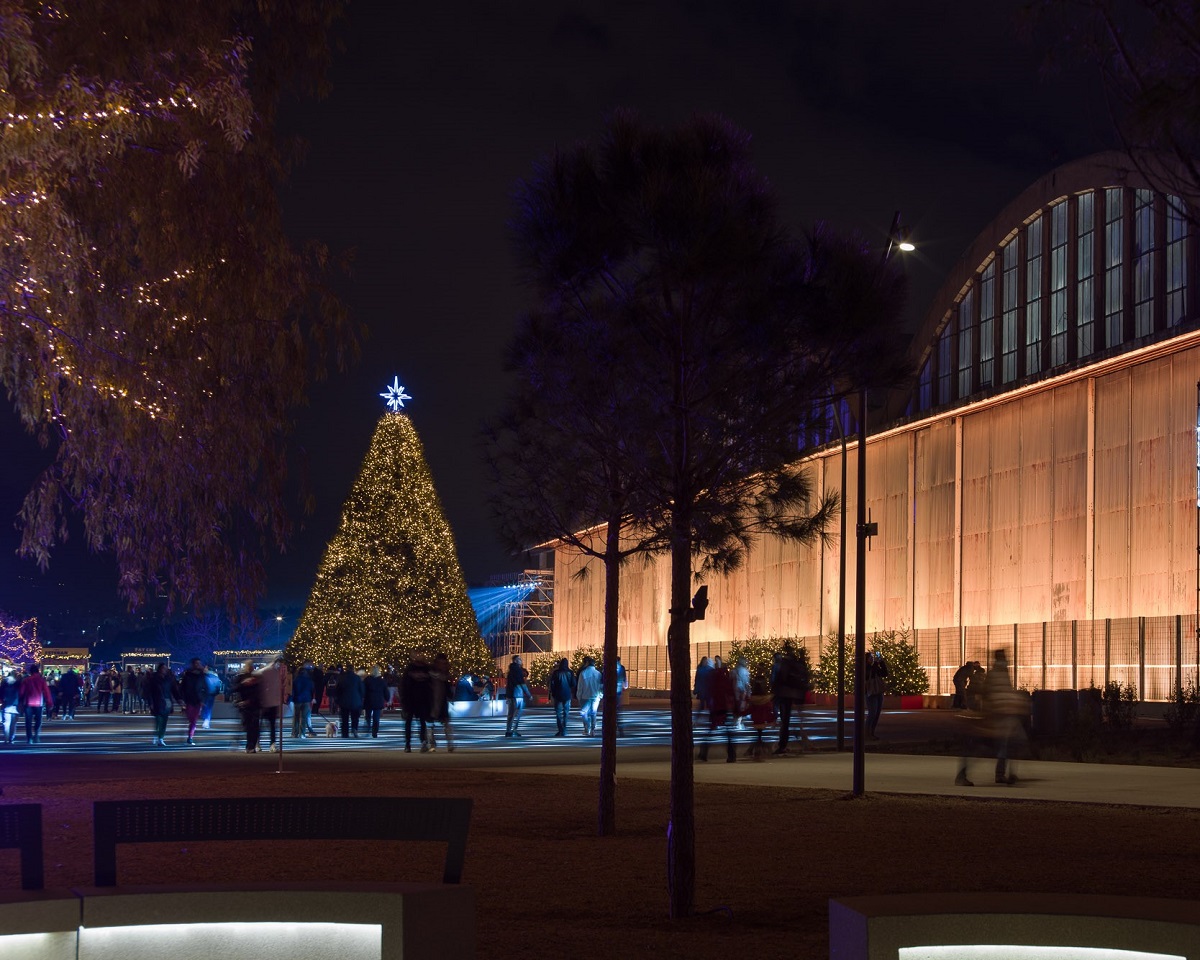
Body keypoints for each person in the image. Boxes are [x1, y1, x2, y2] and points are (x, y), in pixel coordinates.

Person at [956, 649, 1029, 787]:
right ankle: (998, 774)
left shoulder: (999, 674)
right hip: (999, 716)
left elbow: (990, 692)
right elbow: (991, 692)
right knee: (999, 745)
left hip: (1000, 715)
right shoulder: (998, 674)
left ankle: (998, 775)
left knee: (1001, 745)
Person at [771, 642, 810, 755]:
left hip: (785, 694)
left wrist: (775, 690)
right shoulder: (797, 664)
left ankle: (783, 745)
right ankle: (801, 742)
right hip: (796, 694)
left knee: (785, 721)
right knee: (794, 720)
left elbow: (780, 679)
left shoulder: (785, 664)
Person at [698, 655, 736, 763]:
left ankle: (704, 752)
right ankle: (731, 755)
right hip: (723, 706)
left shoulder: (712, 677)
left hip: (715, 707)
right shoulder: (724, 677)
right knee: (728, 732)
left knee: (712, 729)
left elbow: (709, 690)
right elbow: (730, 691)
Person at [401, 656, 433, 751]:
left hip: (422, 700)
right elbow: (404, 686)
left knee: (420, 722)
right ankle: (408, 743)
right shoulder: (411, 669)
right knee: (411, 722)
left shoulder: (424, 669)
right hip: (411, 700)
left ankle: (422, 742)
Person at [256, 658, 289, 748]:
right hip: (273, 702)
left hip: (265, 702)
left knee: (261, 725)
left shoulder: (263, 672)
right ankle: (272, 743)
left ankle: (258, 743)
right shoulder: (277, 673)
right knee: (272, 725)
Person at [148, 662, 182, 746]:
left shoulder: (169, 679)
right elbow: (149, 692)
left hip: (167, 701)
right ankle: (158, 735)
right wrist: (150, 702)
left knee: (164, 720)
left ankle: (161, 737)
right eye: (163, 668)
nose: (164, 670)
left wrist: (179, 699)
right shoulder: (154, 679)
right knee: (158, 720)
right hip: (157, 701)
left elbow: (174, 690)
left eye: (165, 668)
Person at [19, 664, 53, 746]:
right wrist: (49, 702)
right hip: (38, 702)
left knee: (28, 721)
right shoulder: (41, 680)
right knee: (38, 720)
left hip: (28, 702)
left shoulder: (26, 680)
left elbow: (21, 692)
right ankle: (36, 735)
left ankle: (29, 738)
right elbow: (47, 692)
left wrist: (20, 702)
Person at [427, 653, 455, 751]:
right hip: (432, 701)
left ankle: (449, 744)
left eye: (444, 663)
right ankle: (432, 744)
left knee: (444, 723)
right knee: (431, 724)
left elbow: (447, 689)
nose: (443, 665)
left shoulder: (444, 676)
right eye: (441, 663)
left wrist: (450, 694)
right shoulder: (431, 675)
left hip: (441, 702)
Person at [233, 661, 262, 753]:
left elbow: (258, 692)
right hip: (245, 706)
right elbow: (234, 689)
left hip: (254, 704)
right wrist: (243, 683)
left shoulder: (256, 678)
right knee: (249, 726)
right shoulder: (240, 677)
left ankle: (251, 746)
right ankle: (250, 746)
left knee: (255, 727)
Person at [179, 658, 207, 745]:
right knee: (190, 718)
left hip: (198, 700)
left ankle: (190, 736)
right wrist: (182, 698)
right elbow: (182, 687)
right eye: (196, 663)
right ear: (193, 664)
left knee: (194, 720)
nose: (197, 665)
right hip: (189, 699)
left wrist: (202, 699)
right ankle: (190, 733)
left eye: (199, 663)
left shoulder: (202, 675)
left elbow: (205, 688)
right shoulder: (187, 675)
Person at [864, 650, 888, 739]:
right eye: (870, 657)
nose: (872, 659)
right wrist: (876, 664)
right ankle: (867, 733)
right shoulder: (865, 667)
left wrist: (881, 662)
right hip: (870, 692)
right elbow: (869, 675)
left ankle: (872, 732)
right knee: (872, 713)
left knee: (877, 713)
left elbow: (884, 673)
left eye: (872, 657)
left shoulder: (875, 666)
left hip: (878, 691)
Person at [575, 656, 602, 737]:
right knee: (593, 713)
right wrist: (601, 695)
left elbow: (580, 686)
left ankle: (587, 728)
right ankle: (593, 730)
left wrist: (578, 696)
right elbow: (601, 686)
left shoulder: (583, 673)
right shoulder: (598, 674)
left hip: (585, 696)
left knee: (584, 712)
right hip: (596, 696)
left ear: (587, 664)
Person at [548, 657, 575, 736]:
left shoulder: (556, 673)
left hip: (558, 694)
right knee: (566, 713)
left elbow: (552, 684)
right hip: (567, 694)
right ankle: (564, 728)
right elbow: (573, 683)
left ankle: (560, 729)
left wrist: (553, 693)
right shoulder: (570, 672)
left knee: (558, 713)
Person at [337, 664, 365, 738]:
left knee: (344, 719)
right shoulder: (357, 678)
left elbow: (338, 690)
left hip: (344, 701)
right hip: (355, 701)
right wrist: (361, 698)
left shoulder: (342, 677)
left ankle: (345, 733)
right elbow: (362, 690)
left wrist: (338, 700)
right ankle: (354, 729)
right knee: (355, 718)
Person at [505, 655, 530, 739]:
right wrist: (528, 694)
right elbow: (522, 683)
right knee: (517, 714)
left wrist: (507, 695)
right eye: (519, 659)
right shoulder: (518, 670)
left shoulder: (510, 671)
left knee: (511, 714)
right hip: (518, 694)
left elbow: (508, 684)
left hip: (511, 694)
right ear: (515, 661)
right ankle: (514, 730)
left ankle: (508, 731)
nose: (521, 660)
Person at [291, 661, 316, 738]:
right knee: (304, 717)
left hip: (297, 700)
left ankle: (295, 733)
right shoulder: (309, 680)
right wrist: (312, 698)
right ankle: (302, 733)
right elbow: (312, 689)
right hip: (306, 700)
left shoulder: (295, 680)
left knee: (296, 717)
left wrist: (292, 698)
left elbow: (293, 690)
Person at [363, 665, 389, 739]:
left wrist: (363, 696)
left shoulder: (367, 680)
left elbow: (363, 690)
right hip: (378, 701)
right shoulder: (382, 681)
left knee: (368, 716)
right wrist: (387, 698)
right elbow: (385, 691)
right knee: (376, 718)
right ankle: (375, 732)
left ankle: (368, 728)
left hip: (369, 700)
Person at [1, 669, 21, 744]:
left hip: (6, 705)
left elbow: (1, 694)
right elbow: (21, 694)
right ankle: (11, 738)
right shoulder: (17, 684)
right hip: (15, 705)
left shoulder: (4, 684)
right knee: (13, 723)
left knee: (6, 723)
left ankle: (6, 738)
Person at [693, 656, 713, 722]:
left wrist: (696, 688)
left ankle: (698, 717)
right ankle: (710, 718)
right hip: (706, 689)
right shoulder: (709, 669)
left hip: (702, 689)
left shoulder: (700, 669)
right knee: (708, 703)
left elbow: (697, 680)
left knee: (703, 704)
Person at [613, 656, 628, 736]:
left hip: (612, 691)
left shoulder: (610, 667)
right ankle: (620, 729)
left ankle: (614, 728)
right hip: (618, 691)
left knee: (613, 711)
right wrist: (625, 686)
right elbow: (624, 678)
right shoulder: (622, 668)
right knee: (618, 711)